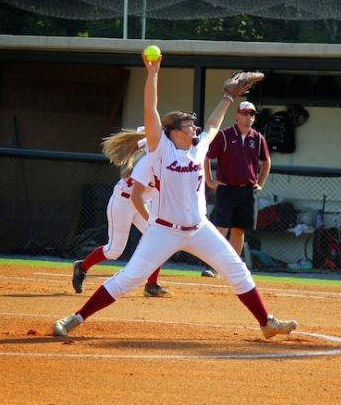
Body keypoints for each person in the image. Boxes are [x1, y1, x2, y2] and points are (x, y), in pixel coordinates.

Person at [53, 52, 297, 339]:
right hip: (163, 231)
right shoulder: (160, 150)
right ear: (172, 131)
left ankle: (266, 322)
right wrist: (153, 74)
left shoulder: (198, 148)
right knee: (129, 278)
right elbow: (150, 110)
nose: (194, 127)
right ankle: (75, 318)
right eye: (187, 124)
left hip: (199, 229)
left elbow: (213, 125)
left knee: (237, 270)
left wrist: (227, 98)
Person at [71, 133, 171, 297]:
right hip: (123, 202)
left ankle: (152, 285)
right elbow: (148, 140)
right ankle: (81, 267)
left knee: (160, 240)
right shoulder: (156, 150)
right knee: (114, 251)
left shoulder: (170, 154)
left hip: (143, 202)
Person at [201, 100, 271, 277]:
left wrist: (260, 183)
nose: (249, 117)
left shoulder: (257, 137)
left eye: (252, 114)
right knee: (221, 229)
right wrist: (210, 181)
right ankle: (213, 266)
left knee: (239, 230)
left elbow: (266, 161)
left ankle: (231, 268)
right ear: (237, 115)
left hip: (247, 190)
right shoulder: (224, 135)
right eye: (245, 113)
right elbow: (207, 156)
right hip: (227, 189)